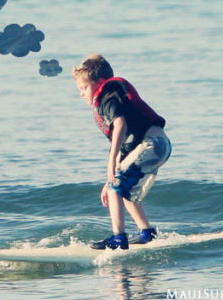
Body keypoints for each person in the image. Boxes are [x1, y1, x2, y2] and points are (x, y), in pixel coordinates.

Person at [72, 54, 172, 250]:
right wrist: (109, 180)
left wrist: (110, 168)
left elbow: (120, 125)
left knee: (116, 185)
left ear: (99, 82)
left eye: (84, 88)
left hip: (152, 144)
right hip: (158, 146)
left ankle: (119, 238)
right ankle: (146, 233)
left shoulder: (107, 95)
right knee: (122, 189)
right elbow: (123, 146)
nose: (81, 94)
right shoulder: (114, 99)